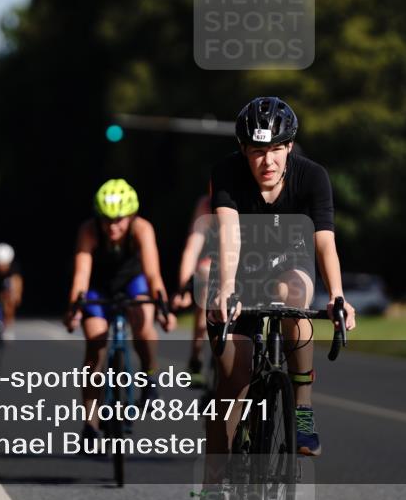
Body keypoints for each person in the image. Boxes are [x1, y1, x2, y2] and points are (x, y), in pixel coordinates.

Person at [205, 97, 356, 463]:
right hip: (236, 269)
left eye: (276, 149)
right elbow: (228, 233)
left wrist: (337, 295)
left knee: (296, 294)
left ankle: (302, 409)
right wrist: (226, 287)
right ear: (243, 149)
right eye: (257, 151)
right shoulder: (226, 173)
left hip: (289, 263)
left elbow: (324, 241)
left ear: (289, 146)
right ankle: (214, 475)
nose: (268, 161)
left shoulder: (312, 177)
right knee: (233, 379)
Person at [63, 178, 177, 443]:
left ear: (132, 216)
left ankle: (149, 374)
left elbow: (153, 275)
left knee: (142, 321)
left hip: (132, 282)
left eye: (120, 220)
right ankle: (90, 425)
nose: (113, 226)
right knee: (95, 345)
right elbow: (81, 276)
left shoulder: (142, 229)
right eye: (107, 220)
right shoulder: (89, 231)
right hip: (98, 287)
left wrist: (163, 309)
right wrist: (73, 310)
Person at [172, 194, 214, 386]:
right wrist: (185, 288)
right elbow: (192, 249)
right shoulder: (205, 205)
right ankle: (196, 359)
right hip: (213, 260)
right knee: (204, 285)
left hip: (242, 260)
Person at [0, 243, 23, 341]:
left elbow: (17, 281)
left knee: (10, 301)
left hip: (6, 290)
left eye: (4, 264)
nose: (2, 267)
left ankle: (8, 325)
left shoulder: (14, 267)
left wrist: (17, 295)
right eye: (0, 264)